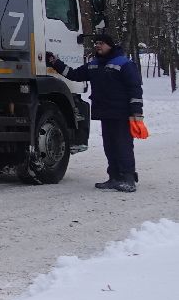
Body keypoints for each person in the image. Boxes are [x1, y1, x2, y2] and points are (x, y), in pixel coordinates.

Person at [61, 33, 144, 193]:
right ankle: (114, 177)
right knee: (110, 146)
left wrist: (136, 112)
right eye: (97, 43)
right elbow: (74, 75)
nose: (98, 45)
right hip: (106, 113)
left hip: (121, 113)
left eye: (102, 43)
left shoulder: (124, 64)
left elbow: (135, 89)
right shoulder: (94, 64)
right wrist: (54, 62)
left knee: (123, 146)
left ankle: (128, 179)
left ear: (110, 45)